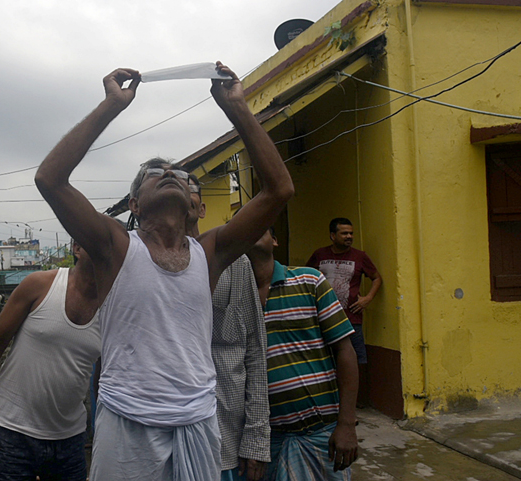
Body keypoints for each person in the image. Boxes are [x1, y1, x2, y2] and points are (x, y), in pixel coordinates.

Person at [35, 62, 294, 480]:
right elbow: (50, 178)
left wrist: (238, 109)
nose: (171, 174)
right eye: (156, 174)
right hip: (127, 421)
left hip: (197, 421)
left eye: (179, 174)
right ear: (134, 205)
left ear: (195, 205)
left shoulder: (210, 252)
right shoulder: (116, 246)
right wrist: (111, 106)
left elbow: (279, 190)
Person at [0, 241, 100, 481]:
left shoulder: (115, 308)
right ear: (77, 248)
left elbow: (106, 378)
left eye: (114, 246)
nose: (107, 250)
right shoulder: (40, 285)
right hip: (10, 433)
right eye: (99, 240)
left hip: (69, 441)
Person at [247, 228, 359, 481]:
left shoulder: (309, 281)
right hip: (268, 440)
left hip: (322, 434)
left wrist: (347, 424)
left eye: (258, 226)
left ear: (275, 240)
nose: (249, 232)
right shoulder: (236, 298)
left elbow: (345, 351)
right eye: (242, 228)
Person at [186, 174, 270, 481]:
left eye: (188, 189)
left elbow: (255, 353)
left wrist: (257, 440)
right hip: (160, 439)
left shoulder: (236, 265)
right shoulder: (138, 268)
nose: (180, 194)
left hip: (225, 442)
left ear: (203, 208)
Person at [306, 218, 381, 407]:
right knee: (325, 361)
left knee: (356, 361)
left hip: (351, 319)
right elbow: (306, 277)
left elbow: (376, 278)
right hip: (323, 319)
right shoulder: (319, 255)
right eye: (344, 233)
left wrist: (368, 298)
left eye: (351, 233)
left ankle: (352, 403)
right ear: (332, 236)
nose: (349, 237)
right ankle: (328, 402)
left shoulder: (360, 256)